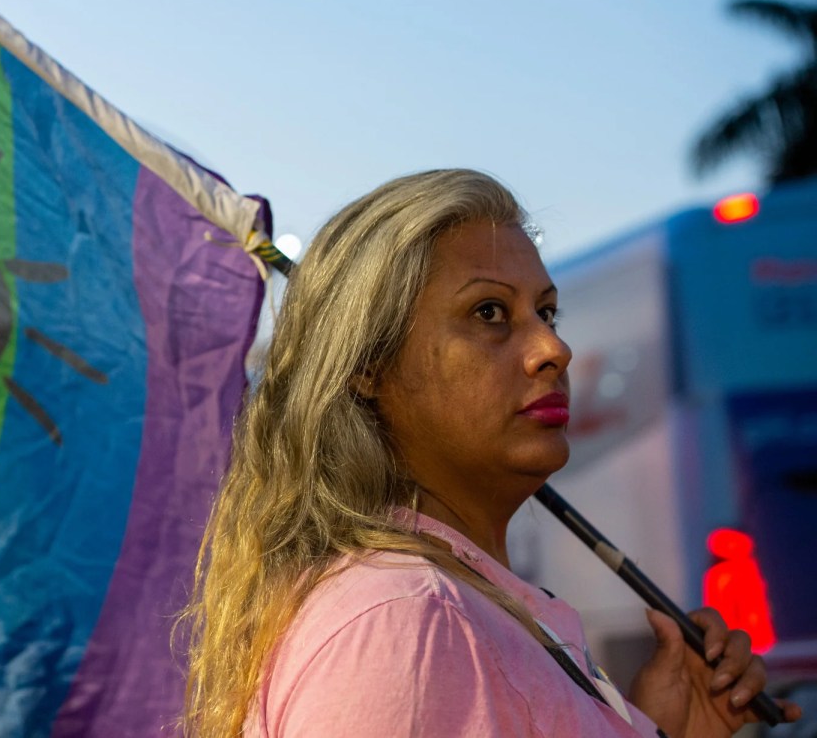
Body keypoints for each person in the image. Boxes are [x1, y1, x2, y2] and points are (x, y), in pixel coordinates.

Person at [180, 170, 802, 737]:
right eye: (489, 312)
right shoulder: (406, 623)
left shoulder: (448, 608)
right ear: (368, 366)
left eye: (547, 311)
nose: (553, 349)